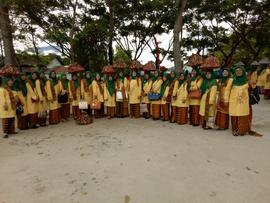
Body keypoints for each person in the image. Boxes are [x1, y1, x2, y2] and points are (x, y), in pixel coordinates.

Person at [229, 67, 250, 136]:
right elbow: (227, 90)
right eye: (237, 71)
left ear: (243, 72)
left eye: (239, 71)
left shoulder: (247, 81)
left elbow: (251, 89)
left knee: (242, 115)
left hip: (243, 102)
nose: (238, 72)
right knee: (234, 115)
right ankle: (234, 130)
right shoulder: (232, 81)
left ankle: (242, 131)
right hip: (233, 101)